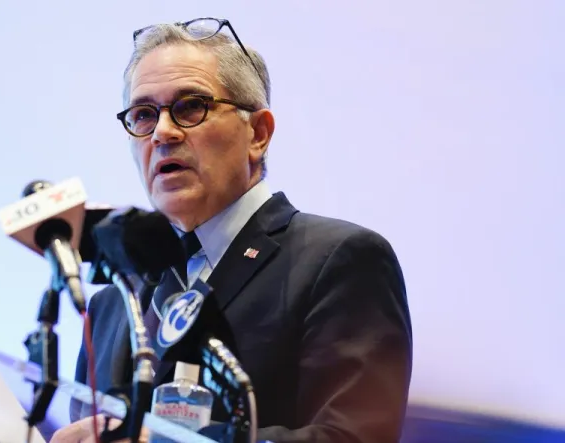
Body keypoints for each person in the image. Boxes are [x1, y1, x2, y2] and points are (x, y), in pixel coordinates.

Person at [52, 17, 413, 443]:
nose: (163, 133)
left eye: (190, 106)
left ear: (258, 134)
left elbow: (353, 438)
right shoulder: (114, 301)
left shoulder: (341, 261)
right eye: (144, 115)